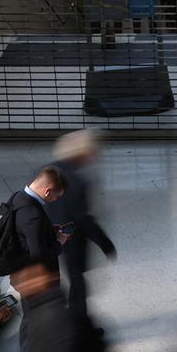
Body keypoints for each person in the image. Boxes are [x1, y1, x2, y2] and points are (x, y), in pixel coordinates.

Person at [46, 130, 116, 317]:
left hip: (45, 235)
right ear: (82, 153)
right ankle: (79, 325)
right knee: (77, 279)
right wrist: (104, 243)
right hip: (71, 239)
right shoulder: (78, 181)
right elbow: (82, 219)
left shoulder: (45, 171)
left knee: (55, 282)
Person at [5, 166, 70, 275]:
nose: (55, 200)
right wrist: (60, 242)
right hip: (38, 279)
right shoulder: (34, 216)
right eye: (57, 196)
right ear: (48, 191)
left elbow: (26, 230)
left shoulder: (18, 196)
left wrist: (47, 230)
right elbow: (40, 257)